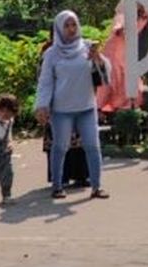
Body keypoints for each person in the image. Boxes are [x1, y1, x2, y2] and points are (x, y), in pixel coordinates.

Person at [36, 10, 110, 199]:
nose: (70, 29)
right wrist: (42, 105)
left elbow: (104, 74)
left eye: (73, 25)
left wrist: (97, 58)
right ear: (59, 28)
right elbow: (45, 82)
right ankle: (58, 186)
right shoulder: (52, 54)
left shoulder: (86, 47)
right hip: (62, 110)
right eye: (66, 26)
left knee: (93, 146)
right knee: (60, 147)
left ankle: (96, 186)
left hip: (86, 107)